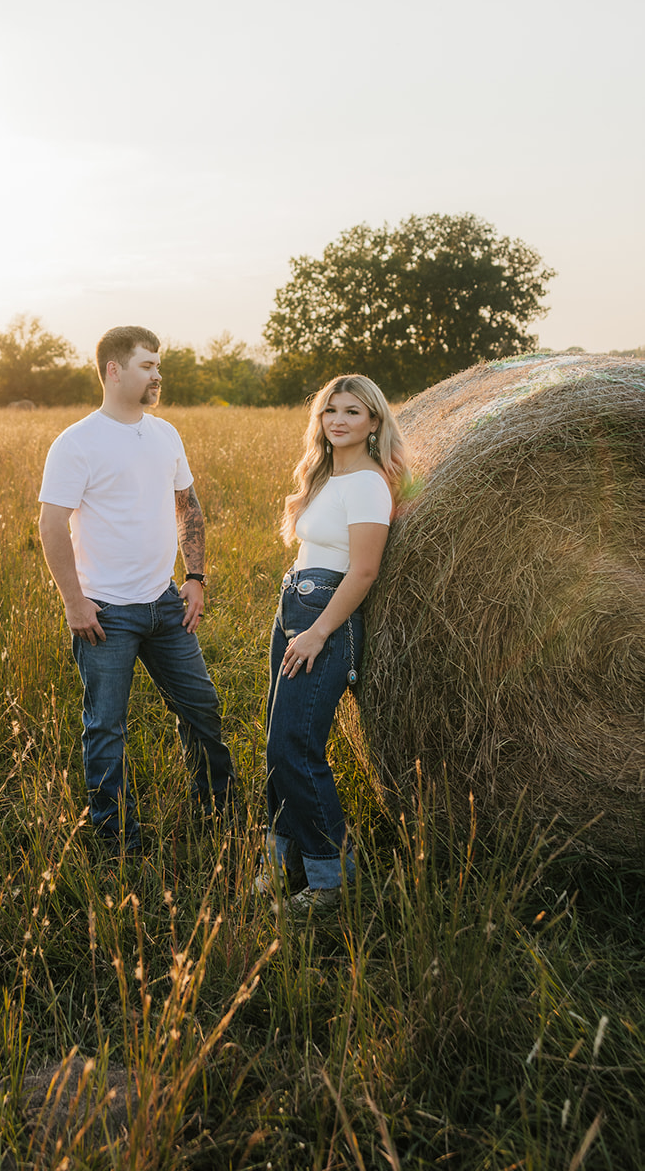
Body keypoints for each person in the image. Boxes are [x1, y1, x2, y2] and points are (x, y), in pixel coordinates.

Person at [38, 325, 236, 852]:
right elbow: (52, 526)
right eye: (148, 365)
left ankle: (219, 812)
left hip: (165, 604)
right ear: (113, 370)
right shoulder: (76, 442)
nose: (157, 375)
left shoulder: (165, 433)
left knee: (202, 707)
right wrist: (75, 602)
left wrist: (194, 578)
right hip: (105, 613)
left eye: (158, 365)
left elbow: (187, 507)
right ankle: (115, 841)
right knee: (106, 728)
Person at [263, 374, 410, 916]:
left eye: (353, 411)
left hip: (325, 619)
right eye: (330, 411)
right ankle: (284, 864)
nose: (339, 420)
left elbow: (365, 570)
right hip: (293, 608)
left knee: (295, 747)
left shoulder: (368, 483)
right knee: (276, 743)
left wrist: (319, 631)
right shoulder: (324, 476)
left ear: (374, 422)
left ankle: (331, 880)